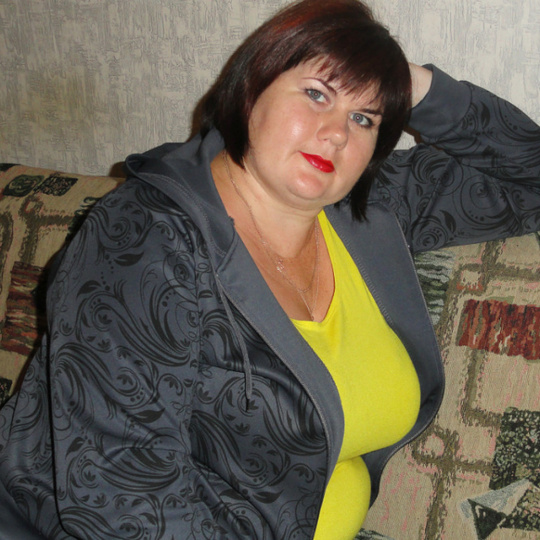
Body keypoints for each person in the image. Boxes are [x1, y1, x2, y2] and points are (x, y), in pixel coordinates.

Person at [0, 0, 539, 538]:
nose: (337, 133)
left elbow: (531, 175)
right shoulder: (144, 237)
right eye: (317, 94)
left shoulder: (371, 213)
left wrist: (416, 87)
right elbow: (123, 500)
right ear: (250, 88)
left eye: (364, 118)